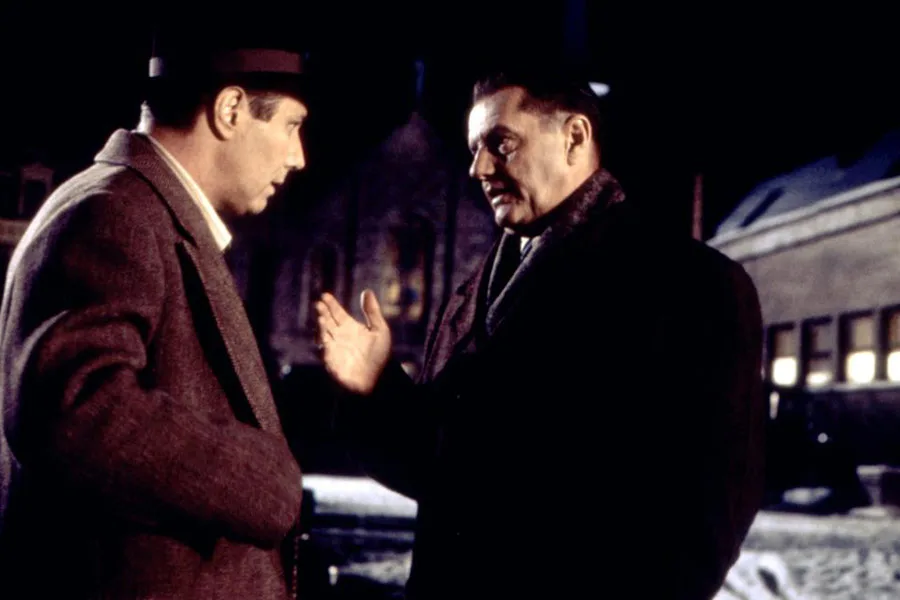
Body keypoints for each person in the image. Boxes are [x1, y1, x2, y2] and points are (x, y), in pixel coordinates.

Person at [315, 66, 766, 599]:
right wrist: (375, 386)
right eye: (474, 150)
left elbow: (706, 517)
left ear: (574, 136)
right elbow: (440, 472)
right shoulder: (471, 294)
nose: (479, 168)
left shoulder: (689, 286)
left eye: (500, 144)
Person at [0, 24, 312, 599]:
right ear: (231, 110)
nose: (299, 157)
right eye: (292, 126)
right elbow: (76, 411)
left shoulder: (141, 211)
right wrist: (265, 480)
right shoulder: (115, 213)